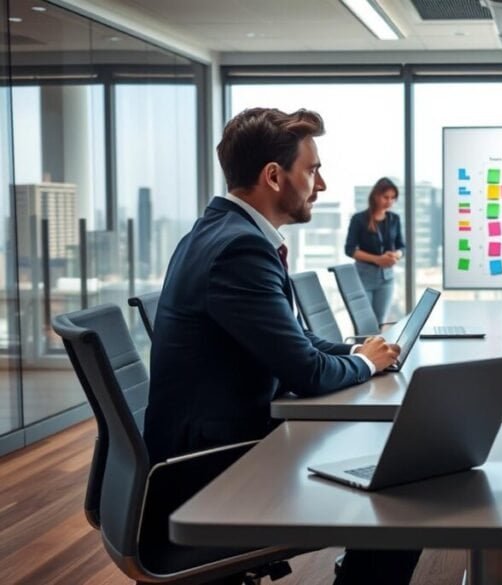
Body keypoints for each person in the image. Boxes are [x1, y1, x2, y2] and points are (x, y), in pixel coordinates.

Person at [146, 107, 419, 585]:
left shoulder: (219, 232)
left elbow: (292, 338)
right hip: (214, 476)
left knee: (391, 470)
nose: (322, 184)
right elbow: (306, 374)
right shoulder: (239, 249)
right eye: (312, 170)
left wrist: (355, 353)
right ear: (274, 176)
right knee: (406, 495)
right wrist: (361, 363)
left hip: (219, 451)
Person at [345, 177, 404, 324]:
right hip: (363, 277)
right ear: (376, 196)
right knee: (364, 323)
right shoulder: (359, 219)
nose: (389, 201)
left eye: (392, 198)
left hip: (387, 278)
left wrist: (395, 255)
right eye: (386, 197)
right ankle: (361, 348)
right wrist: (377, 259)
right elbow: (350, 249)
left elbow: (402, 246)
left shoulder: (394, 219)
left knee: (379, 322)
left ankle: (375, 347)